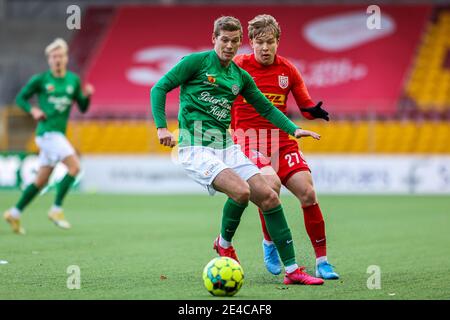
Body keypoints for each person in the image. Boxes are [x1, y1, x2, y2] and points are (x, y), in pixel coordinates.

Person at [151, 16, 324, 285]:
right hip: (195, 147)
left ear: (239, 43)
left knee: (269, 197)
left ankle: (292, 271)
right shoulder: (195, 62)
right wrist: (162, 127)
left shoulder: (239, 76)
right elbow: (159, 87)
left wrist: (293, 129)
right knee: (242, 192)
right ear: (214, 38)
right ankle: (224, 244)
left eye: (234, 41)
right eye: (224, 40)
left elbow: (266, 108)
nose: (229, 46)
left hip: (225, 146)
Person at [231, 14, 339, 279]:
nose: (265, 48)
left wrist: (314, 111)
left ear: (278, 42)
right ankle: (269, 243)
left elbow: (305, 104)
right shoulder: (237, 66)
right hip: (249, 141)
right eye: (259, 42)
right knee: (271, 187)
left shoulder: (288, 70)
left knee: (308, 192)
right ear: (251, 43)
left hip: (282, 142)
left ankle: (322, 262)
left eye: (270, 42)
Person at [3, 38, 94, 234]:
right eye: (53, 56)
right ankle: (56, 209)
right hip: (46, 133)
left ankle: (14, 213)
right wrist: (33, 110)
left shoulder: (73, 80)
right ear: (49, 60)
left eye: (60, 55)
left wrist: (88, 96)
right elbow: (21, 98)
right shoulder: (41, 80)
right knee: (75, 166)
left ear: (66, 58)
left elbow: (83, 108)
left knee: (41, 181)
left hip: (57, 134)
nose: (57, 59)